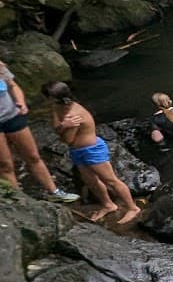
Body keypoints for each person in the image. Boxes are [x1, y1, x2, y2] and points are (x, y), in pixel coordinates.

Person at [43, 82, 138, 224]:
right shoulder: (57, 106)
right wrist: (63, 126)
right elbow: (57, 127)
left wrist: (63, 127)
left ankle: (133, 208)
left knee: (111, 180)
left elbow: (67, 139)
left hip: (92, 150)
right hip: (77, 151)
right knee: (91, 181)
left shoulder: (73, 113)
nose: (45, 100)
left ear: (52, 97)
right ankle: (108, 204)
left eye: (46, 96)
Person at [0, 64, 76, 202]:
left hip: (13, 116)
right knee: (5, 165)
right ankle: (20, 201)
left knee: (33, 156)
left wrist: (21, 102)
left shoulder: (0, 67)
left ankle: (54, 192)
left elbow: (13, 86)